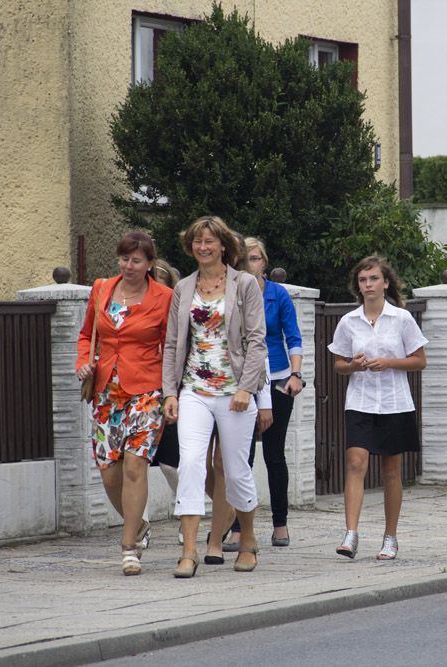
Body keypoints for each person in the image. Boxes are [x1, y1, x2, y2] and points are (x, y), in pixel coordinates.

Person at [162, 215, 267, 577]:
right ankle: (189, 552)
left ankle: (248, 539)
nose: (203, 247)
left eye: (209, 241)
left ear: (223, 245)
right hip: (194, 390)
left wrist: (246, 388)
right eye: (197, 241)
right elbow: (173, 344)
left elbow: (257, 341)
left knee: (236, 472)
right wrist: (170, 392)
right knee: (191, 463)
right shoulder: (184, 287)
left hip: (234, 392)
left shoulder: (245, 284)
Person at [76, 230, 173, 575]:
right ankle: (139, 525)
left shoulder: (164, 297)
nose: (128, 266)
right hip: (106, 392)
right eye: (124, 259)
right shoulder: (102, 288)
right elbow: (86, 334)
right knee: (109, 473)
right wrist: (83, 363)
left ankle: (129, 547)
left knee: (135, 465)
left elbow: (171, 346)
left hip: (146, 391)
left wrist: (171, 392)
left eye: (136, 260)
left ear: (149, 263)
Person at [327, 255, 427, 560]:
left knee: (391, 470)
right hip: (360, 401)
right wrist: (353, 366)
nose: (368, 284)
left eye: (373, 279)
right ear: (357, 286)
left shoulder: (402, 319)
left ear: (385, 283)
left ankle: (390, 537)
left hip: (395, 402)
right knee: (355, 462)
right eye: (363, 280)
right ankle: (351, 534)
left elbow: (419, 360)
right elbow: (338, 364)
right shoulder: (348, 321)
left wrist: (389, 362)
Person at [225, 237, 303, 549]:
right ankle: (237, 527)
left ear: (264, 262)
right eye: (245, 258)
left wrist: (295, 374)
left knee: (274, 453)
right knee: (240, 455)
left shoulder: (277, 294)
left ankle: (280, 524)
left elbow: (293, 336)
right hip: (242, 380)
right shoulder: (231, 293)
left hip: (278, 377)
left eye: (255, 258)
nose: (250, 263)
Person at [152, 259, 183, 544]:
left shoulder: (178, 314)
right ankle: (139, 524)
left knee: (169, 462)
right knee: (132, 465)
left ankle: (185, 509)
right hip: (141, 390)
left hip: (171, 392)